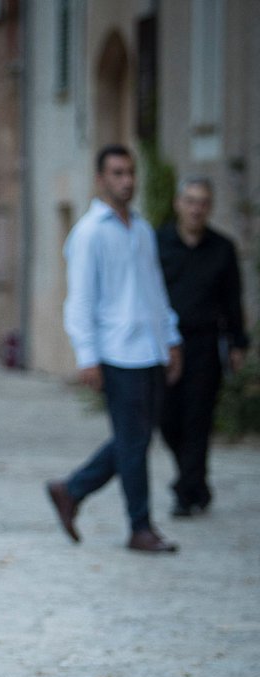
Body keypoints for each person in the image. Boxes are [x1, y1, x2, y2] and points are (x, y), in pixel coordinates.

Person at [46, 144, 183, 553]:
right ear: (101, 179)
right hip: (116, 352)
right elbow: (80, 300)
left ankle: (71, 490)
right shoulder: (89, 233)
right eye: (117, 173)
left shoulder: (140, 230)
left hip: (150, 349)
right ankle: (140, 528)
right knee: (134, 440)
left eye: (130, 173)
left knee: (135, 438)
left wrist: (171, 337)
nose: (126, 181)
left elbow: (155, 290)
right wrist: (87, 355)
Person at [157, 176, 249, 517]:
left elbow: (232, 301)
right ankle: (195, 482)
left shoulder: (222, 248)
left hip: (205, 344)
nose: (196, 208)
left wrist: (238, 343)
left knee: (198, 419)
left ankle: (186, 492)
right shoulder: (158, 243)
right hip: (165, 346)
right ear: (179, 203)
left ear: (209, 207)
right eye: (191, 200)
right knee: (166, 420)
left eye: (203, 202)